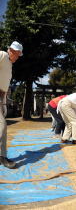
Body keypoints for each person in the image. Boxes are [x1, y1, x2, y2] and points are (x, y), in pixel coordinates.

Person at [0, 41, 23, 169]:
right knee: (2, 126)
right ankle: (2, 156)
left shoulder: (9, 65)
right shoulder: (3, 55)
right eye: (16, 53)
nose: (17, 57)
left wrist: (3, 103)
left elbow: (4, 86)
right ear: (10, 50)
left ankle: (2, 156)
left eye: (19, 55)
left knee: (3, 128)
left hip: (1, 97)